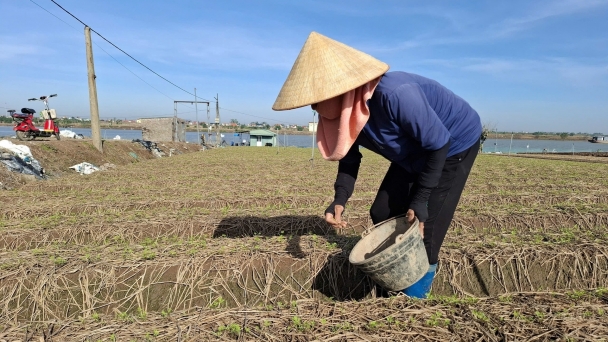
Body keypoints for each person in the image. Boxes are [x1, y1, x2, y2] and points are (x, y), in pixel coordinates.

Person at [272, 32, 482, 298]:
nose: (314, 107)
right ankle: (393, 276)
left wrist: (420, 199)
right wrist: (339, 199)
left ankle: (414, 297)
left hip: (453, 145)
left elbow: (438, 145)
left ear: (341, 89)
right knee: (382, 211)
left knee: (425, 228)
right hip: (413, 151)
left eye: (317, 99)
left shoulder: (396, 95)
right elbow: (349, 157)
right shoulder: (345, 114)